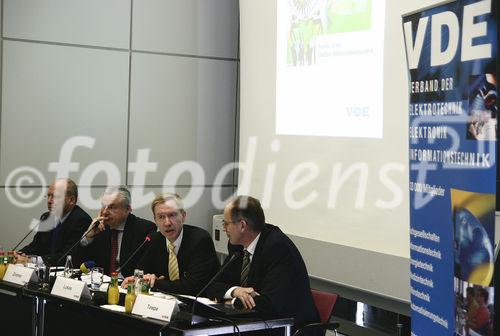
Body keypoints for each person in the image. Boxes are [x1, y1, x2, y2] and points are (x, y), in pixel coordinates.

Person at [206, 196, 320, 331]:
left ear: (242, 225)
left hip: (290, 327)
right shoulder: (237, 246)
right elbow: (213, 286)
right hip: (255, 323)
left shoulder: (278, 248)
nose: (224, 228)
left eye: (226, 223)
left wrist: (232, 301)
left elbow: (270, 304)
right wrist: (235, 291)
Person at [121, 193, 219, 295]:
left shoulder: (200, 240)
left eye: (172, 215)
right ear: (155, 220)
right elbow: (141, 273)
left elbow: (192, 286)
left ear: (183, 216)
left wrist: (155, 283)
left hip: (201, 303)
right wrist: (145, 278)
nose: (167, 223)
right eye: (161, 217)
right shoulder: (155, 239)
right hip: (167, 302)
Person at [75, 186, 156, 277]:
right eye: (103, 206)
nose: (105, 212)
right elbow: (79, 263)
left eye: (112, 207)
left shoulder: (144, 229)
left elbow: (144, 269)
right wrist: (88, 237)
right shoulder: (99, 229)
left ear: (128, 209)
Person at [16, 178, 91, 266]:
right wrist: (18, 254)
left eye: (55, 197)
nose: (49, 201)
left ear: (71, 200)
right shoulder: (46, 217)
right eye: (48, 196)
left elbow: (67, 255)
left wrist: (31, 261)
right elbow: (36, 246)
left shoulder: (81, 220)